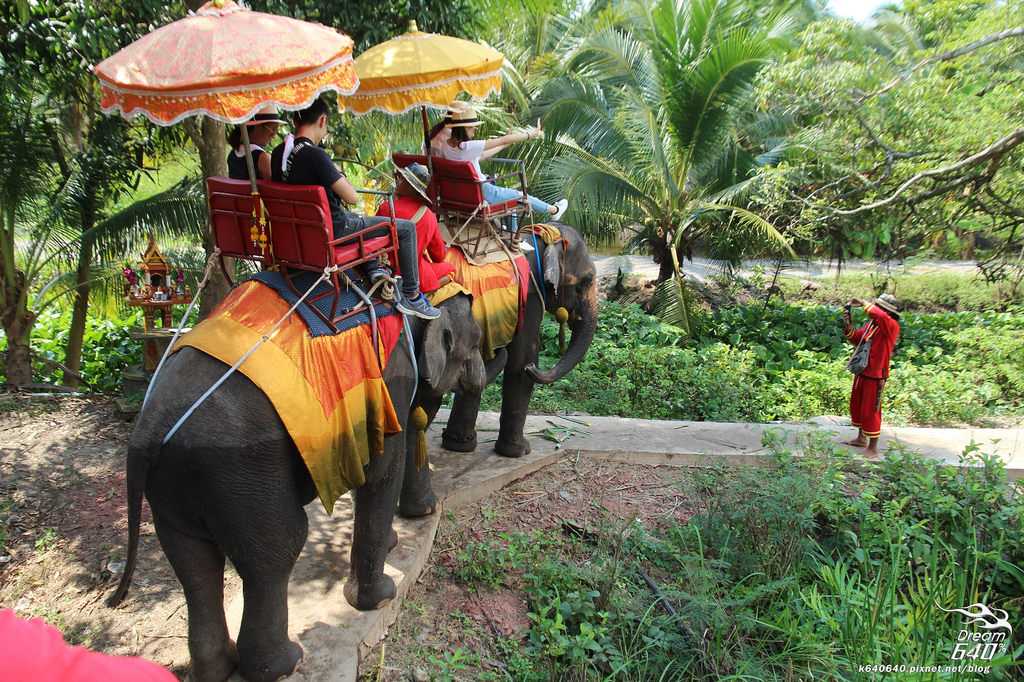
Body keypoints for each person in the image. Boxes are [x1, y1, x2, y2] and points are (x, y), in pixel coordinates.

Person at [270, 97, 440, 320]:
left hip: (299, 232)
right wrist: (338, 174)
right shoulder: (315, 155)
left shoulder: (279, 154)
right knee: (405, 228)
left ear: (294, 119)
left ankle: (374, 269)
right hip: (336, 230)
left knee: (362, 221)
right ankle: (412, 296)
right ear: (322, 120)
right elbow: (350, 196)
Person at [432, 103, 568, 222]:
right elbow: (502, 139)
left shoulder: (446, 147)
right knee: (519, 196)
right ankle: (553, 210)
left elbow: (483, 155)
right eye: (473, 127)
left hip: (460, 194)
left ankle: (516, 235)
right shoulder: (467, 147)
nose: (475, 130)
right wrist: (530, 135)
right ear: (464, 128)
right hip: (483, 191)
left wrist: (504, 145)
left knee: (510, 200)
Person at [375, 164, 454, 293]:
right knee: (450, 269)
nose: (398, 181)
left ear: (407, 184)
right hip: (413, 275)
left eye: (402, 179)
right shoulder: (429, 216)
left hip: (384, 269)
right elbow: (438, 256)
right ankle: (421, 291)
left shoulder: (386, 207)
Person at [843, 293, 901, 456]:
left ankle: (873, 448)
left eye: (880, 307)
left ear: (887, 311)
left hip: (876, 375)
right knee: (859, 405)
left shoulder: (891, 325)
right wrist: (847, 320)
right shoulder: (872, 324)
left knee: (872, 410)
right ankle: (861, 439)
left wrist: (862, 302)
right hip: (863, 371)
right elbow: (856, 337)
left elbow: (878, 315)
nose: (876, 309)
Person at [226, 105, 285, 181]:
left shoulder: (232, 155)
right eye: (272, 130)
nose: (274, 136)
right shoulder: (263, 158)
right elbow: (275, 189)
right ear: (257, 127)